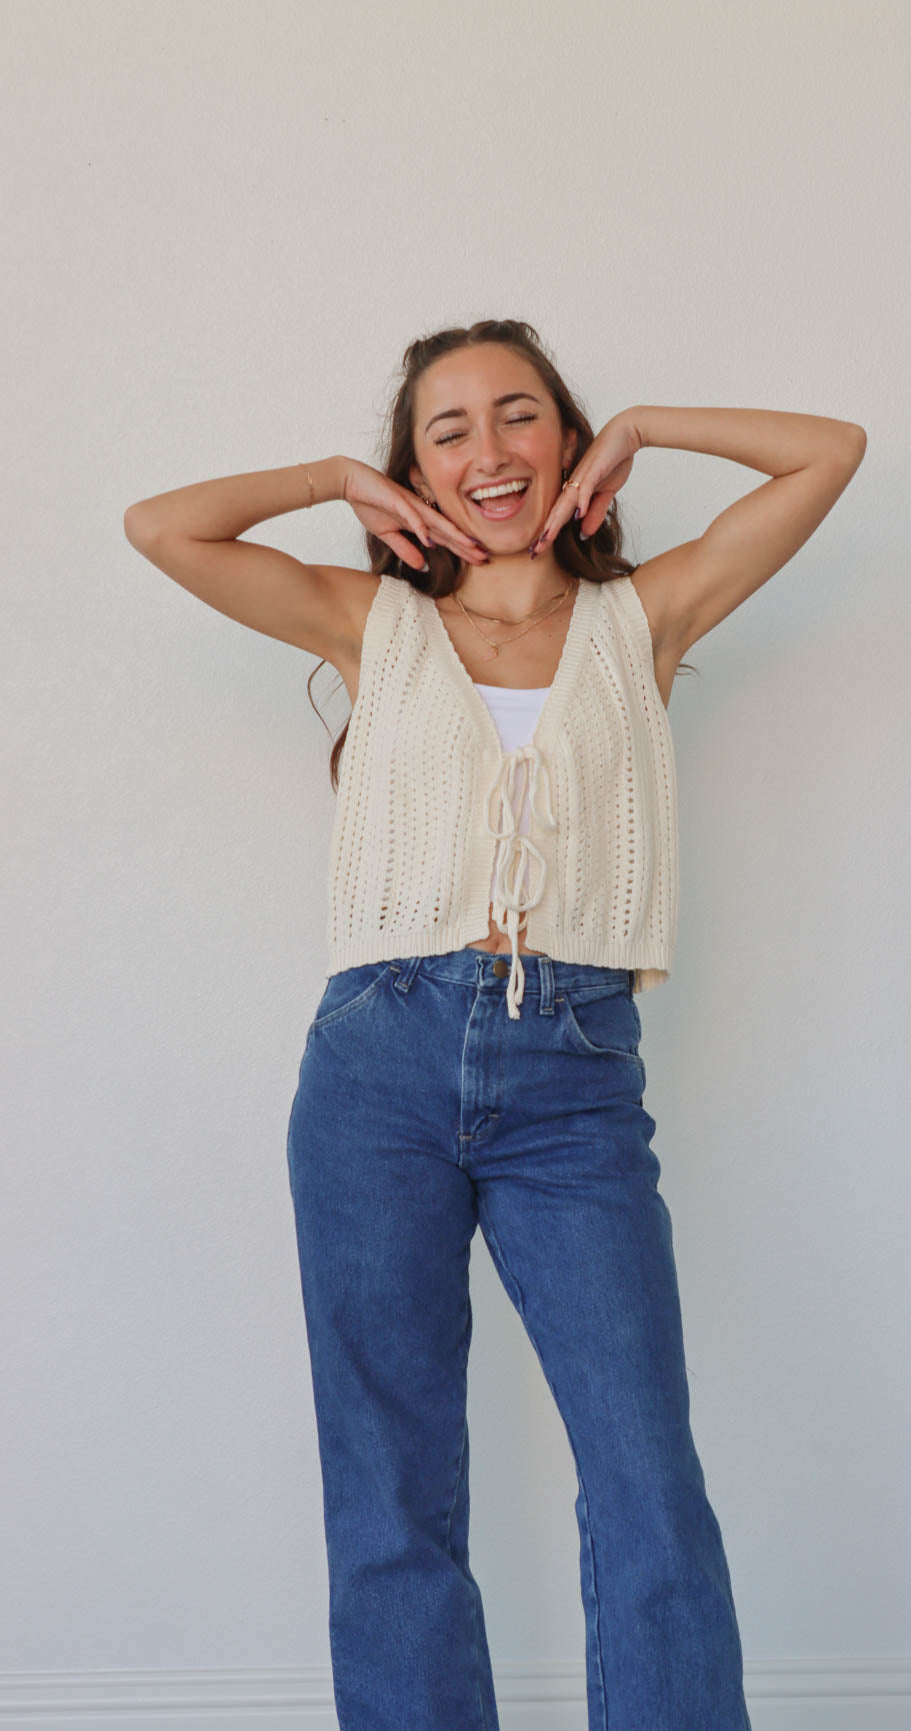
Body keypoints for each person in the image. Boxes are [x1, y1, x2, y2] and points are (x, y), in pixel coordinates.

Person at [123, 317, 866, 1730]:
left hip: (576, 1074)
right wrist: (333, 474)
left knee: (644, 1471)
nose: (486, 451)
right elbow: (160, 527)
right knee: (390, 1475)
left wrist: (649, 423)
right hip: (374, 1067)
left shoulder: (644, 613)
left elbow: (829, 454)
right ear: (416, 472)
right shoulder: (369, 620)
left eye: (518, 415)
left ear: (566, 443)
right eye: (445, 430)